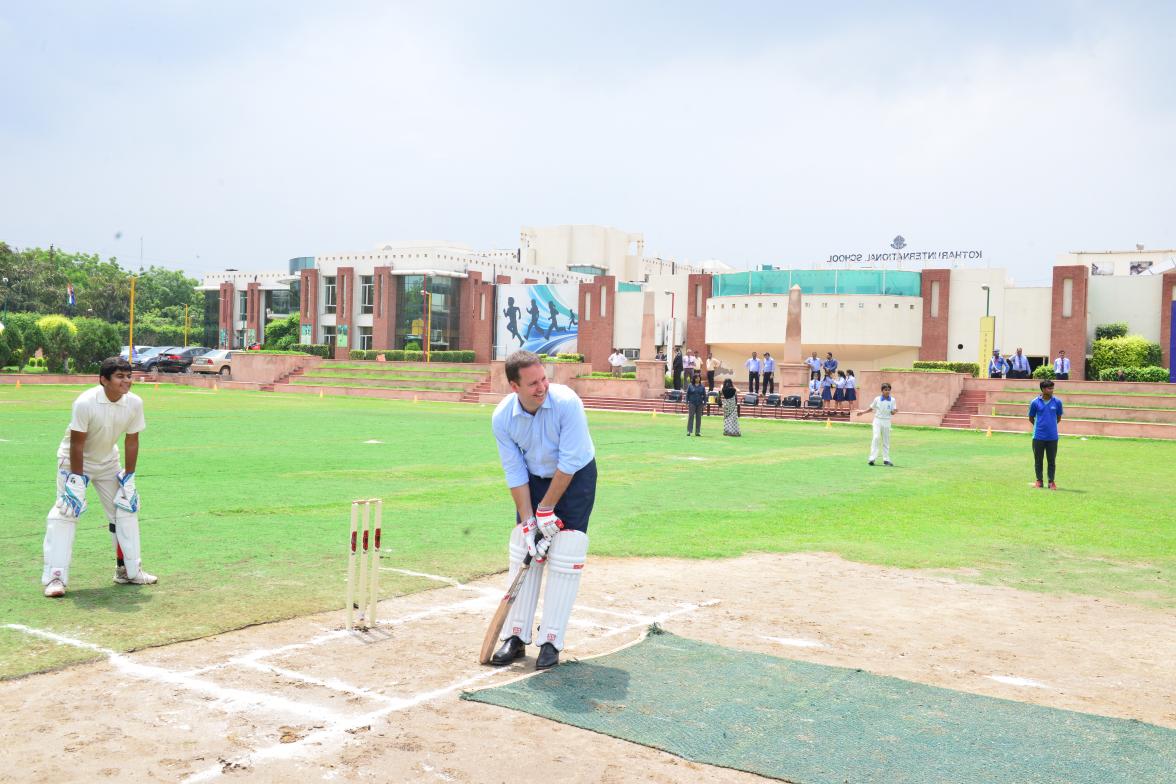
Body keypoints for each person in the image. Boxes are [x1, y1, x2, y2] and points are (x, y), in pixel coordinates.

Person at [490, 350, 596, 670]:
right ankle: (516, 636)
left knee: (565, 552)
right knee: (527, 547)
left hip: (575, 478)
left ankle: (551, 640)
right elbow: (515, 473)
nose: (542, 387)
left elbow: (569, 463)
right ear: (514, 386)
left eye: (544, 379)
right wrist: (528, 521)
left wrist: (547, 509)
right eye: (533, 383)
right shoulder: (502, 418)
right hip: (533, 481)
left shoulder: (567, 404)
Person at [42, 356, 157, 598]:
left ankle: (128, 571)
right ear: (103, 380)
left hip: (108, 462)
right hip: (74, 461)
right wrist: (75, 480)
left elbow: (132, 439)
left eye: (129, 376)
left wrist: (130, 476)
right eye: (120, 377)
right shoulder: (85, 402)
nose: (126, 382)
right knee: (66, 512)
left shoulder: (134, 403)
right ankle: (55, 577)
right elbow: (76, 444)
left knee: (125, 510)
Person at [1028, 379, 1063, 489]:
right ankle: (1039, 481)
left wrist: (1050, 427)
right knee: (1038, 460)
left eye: (1052, 388)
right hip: (1038, 436)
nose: (1052, 390)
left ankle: (1051, 481)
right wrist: (1039, 427)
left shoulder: (1057, 402)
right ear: (1043, 389)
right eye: (1049, 388)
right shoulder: (1035, 402)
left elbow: (1058, 418)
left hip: (1052, 437)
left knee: (1051, 460)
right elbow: (1031, 418)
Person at [867, 382, 897, 466]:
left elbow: (893, 411)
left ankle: (886, 459)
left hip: (887, 421)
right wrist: (862, 412)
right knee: (876, 437)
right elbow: (871, 408)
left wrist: (894, 411)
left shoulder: (893, 400)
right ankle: (872, 458)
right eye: (885, 390)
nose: (887, 391)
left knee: (886, 440)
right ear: (882, 391)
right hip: (877, 420)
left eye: (888, 390)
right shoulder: (877, 399)